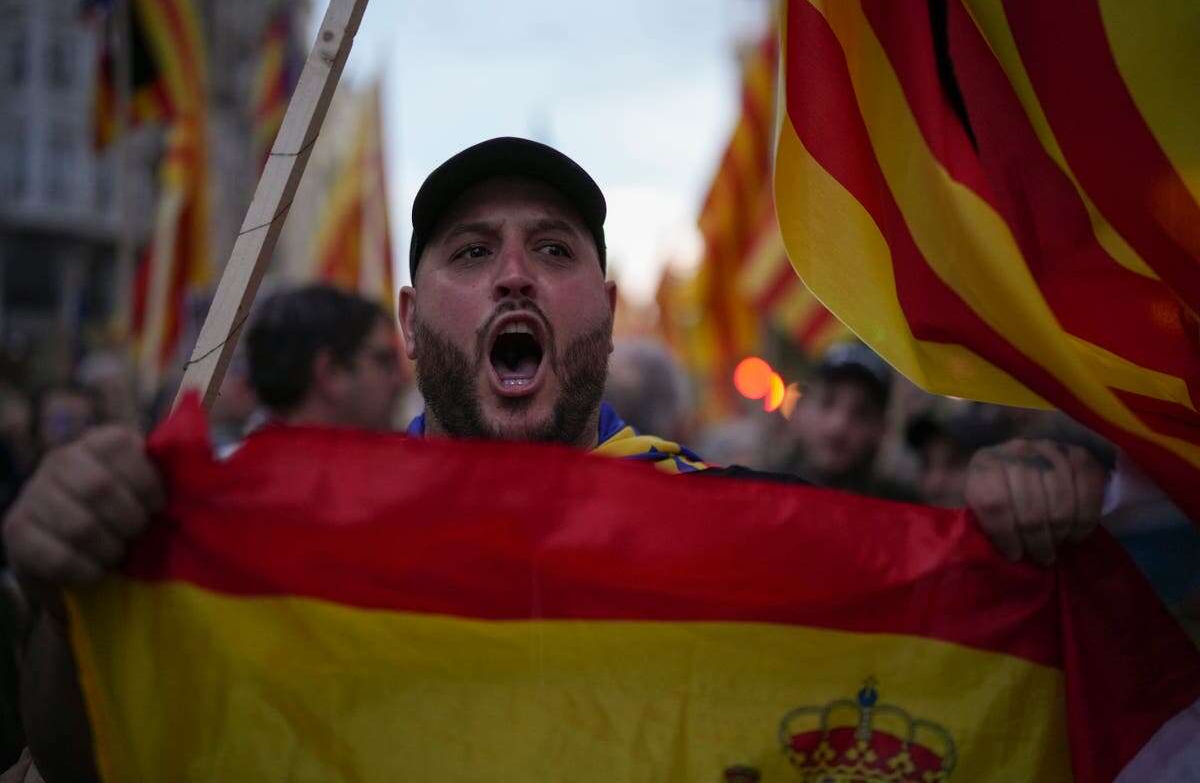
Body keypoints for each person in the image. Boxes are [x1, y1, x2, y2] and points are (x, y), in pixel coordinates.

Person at [1, 138, 1107, 781]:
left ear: (607, 310)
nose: (514, 276)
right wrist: (68, 591)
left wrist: (1018, 547)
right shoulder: (289, 547)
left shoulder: (756, 535)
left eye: (554, 250)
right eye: (473, 252)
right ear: (409, 315)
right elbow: (90, 756)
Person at [245, 284, 403, 433]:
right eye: (384, 361)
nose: (399, 380)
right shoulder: (404, 461)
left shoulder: (235, 459)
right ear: (331, 371)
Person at [774, 343, 917, 501]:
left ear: (881, 429)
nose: (839, 425)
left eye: (861, 413)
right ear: (800, 409)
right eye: (827, 402)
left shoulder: (901, 512)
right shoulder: (763, 493)